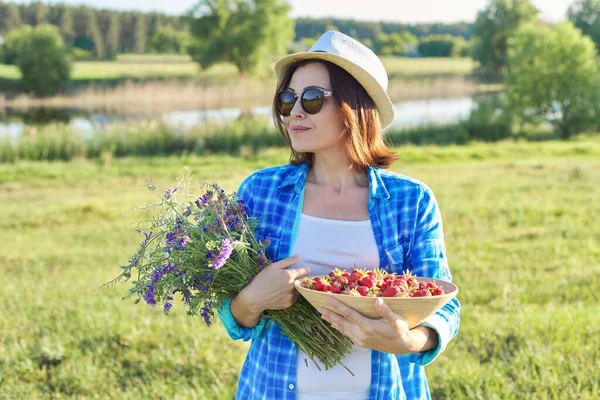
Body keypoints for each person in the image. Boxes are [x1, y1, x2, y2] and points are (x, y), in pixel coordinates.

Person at [217, 30, 460, 400]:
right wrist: (254, 297)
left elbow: (443, 303)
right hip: (271, 389)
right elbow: (235, 317)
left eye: (312, 99)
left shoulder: (411, 201)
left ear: (354, 108)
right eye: (287, 99)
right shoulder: (260, 192)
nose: (294, 112)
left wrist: (409, 340)